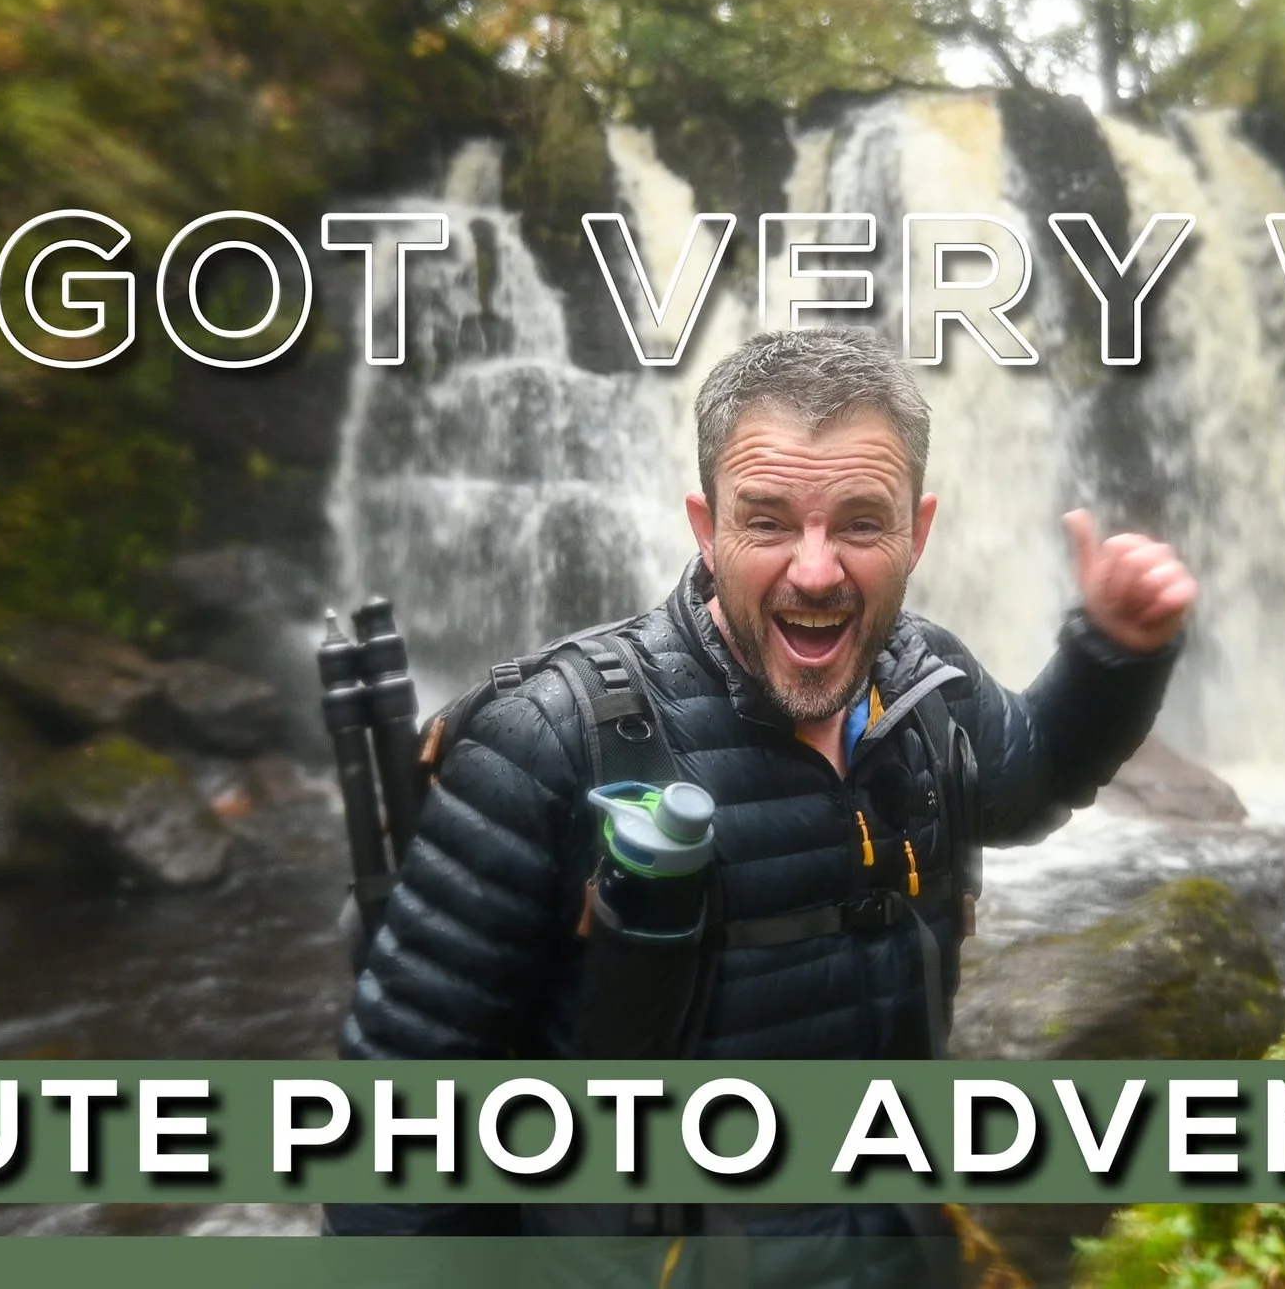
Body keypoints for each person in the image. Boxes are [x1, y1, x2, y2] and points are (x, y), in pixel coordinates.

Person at [328, 326, 1197, 1277]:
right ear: (706, 529)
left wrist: (1113, 653)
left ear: (918, 531)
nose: (815, 571)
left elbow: (1033, 778)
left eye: (860, 523)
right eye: (769, 522)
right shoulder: (547, 741)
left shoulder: (928, 687)